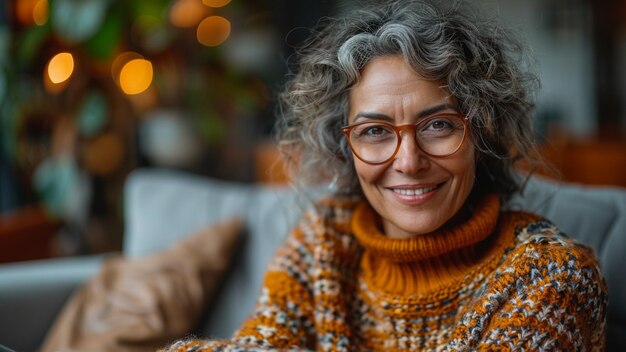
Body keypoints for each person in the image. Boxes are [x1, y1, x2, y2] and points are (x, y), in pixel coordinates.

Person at [166, 0, 607, 350]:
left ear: (482, 132)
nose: (409, 161)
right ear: (346, 147)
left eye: (438, 125)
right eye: (375, 131)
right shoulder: (325, 240)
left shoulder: (551, 277)